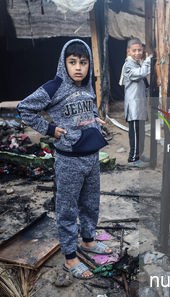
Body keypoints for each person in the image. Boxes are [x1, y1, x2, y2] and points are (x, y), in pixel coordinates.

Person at [17, 39, 111, 279]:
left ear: (89, 64)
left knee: (91, 204)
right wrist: (50, 130)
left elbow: (88, 107)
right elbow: (25, 108)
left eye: (83, 62)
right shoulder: (54, 86)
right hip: (69, 160)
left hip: (91, 157)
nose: (78, 68)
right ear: (64, 63)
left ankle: (88, 242)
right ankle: (70, 258)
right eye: (72, 62)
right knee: (67, 209)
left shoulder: (89, 85)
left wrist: (94, 118)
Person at [119, 37, 152, 167]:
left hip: (140, 105)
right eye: (134, 50)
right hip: (134, 106)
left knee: (141, 133)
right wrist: (148, 61)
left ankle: (140, 154)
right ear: (128, 51)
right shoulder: (129, 65)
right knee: (136, 135)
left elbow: (145, 82)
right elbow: (141, 73)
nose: (137, 53)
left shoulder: (137, 63)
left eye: (139, 50)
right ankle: (133, 159)